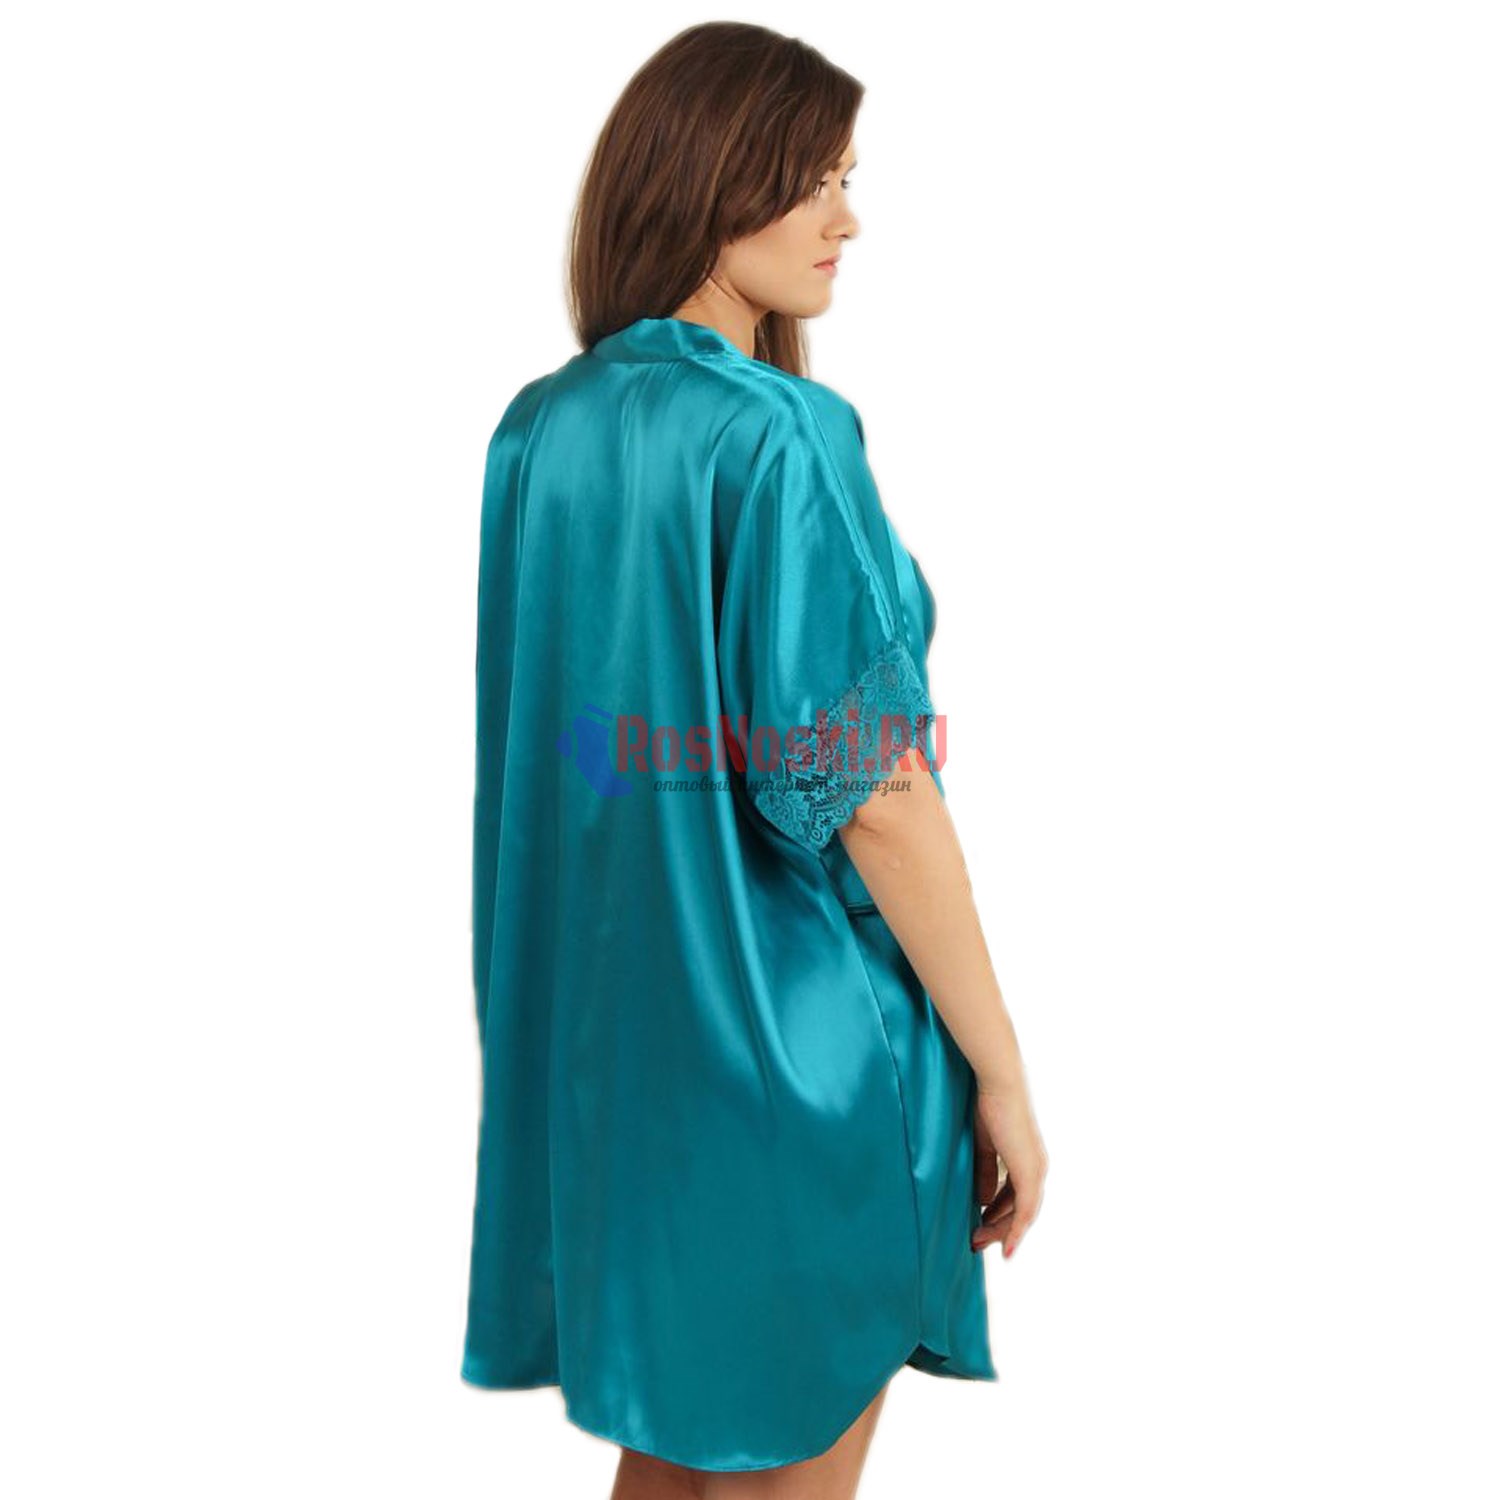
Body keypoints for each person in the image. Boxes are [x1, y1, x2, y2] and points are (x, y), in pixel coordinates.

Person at [460, 21, 1048, 1499]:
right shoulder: (781, 436)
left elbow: (559, 782)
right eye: (816, 180)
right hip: (797, 1072)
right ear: (716, 179)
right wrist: (1001, 1074)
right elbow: (876, 792)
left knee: (667, 1471)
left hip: (621, 1083)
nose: (849, 220)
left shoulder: (538, 434)